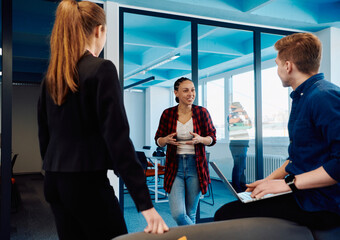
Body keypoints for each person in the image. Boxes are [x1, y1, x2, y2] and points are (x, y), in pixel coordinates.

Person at [37, 1, 168, 239]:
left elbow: (44, 135)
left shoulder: (52, 77)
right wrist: (145, 205)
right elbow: (117, 139)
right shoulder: (101, 69)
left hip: (54, 183)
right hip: (86, 184)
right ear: (99, 30)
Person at [214, 33, 340, 229]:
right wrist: (267, 181)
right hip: (302, 194)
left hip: (321, 203)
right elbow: (296, 159)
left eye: (277, 63)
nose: (278, 69)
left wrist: (288, 184)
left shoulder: (323, 96)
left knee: (226, 215)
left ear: (288, 66)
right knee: (233, 208)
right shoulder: (304, 97)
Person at [155, 77, 216, 226]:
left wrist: (201, 139)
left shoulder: (202, 112)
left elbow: (212, 138)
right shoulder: (168, 114)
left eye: (193, 90)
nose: (191, 94)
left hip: (196, 167)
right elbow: (158, 139)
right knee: (179, 214)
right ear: (176, 93)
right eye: (186, 90)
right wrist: (165, 140)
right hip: (175, 168)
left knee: (190, 214)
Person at [228, 102, 252, 192]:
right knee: (238, 167)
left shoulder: (240, 116)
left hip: (243, 144)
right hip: (237, 145)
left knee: (242, 167)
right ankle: (236, 188)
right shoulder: (232, 116)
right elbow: (244, 126)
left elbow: (249, 125)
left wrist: (245, 115)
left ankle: (242, 186)